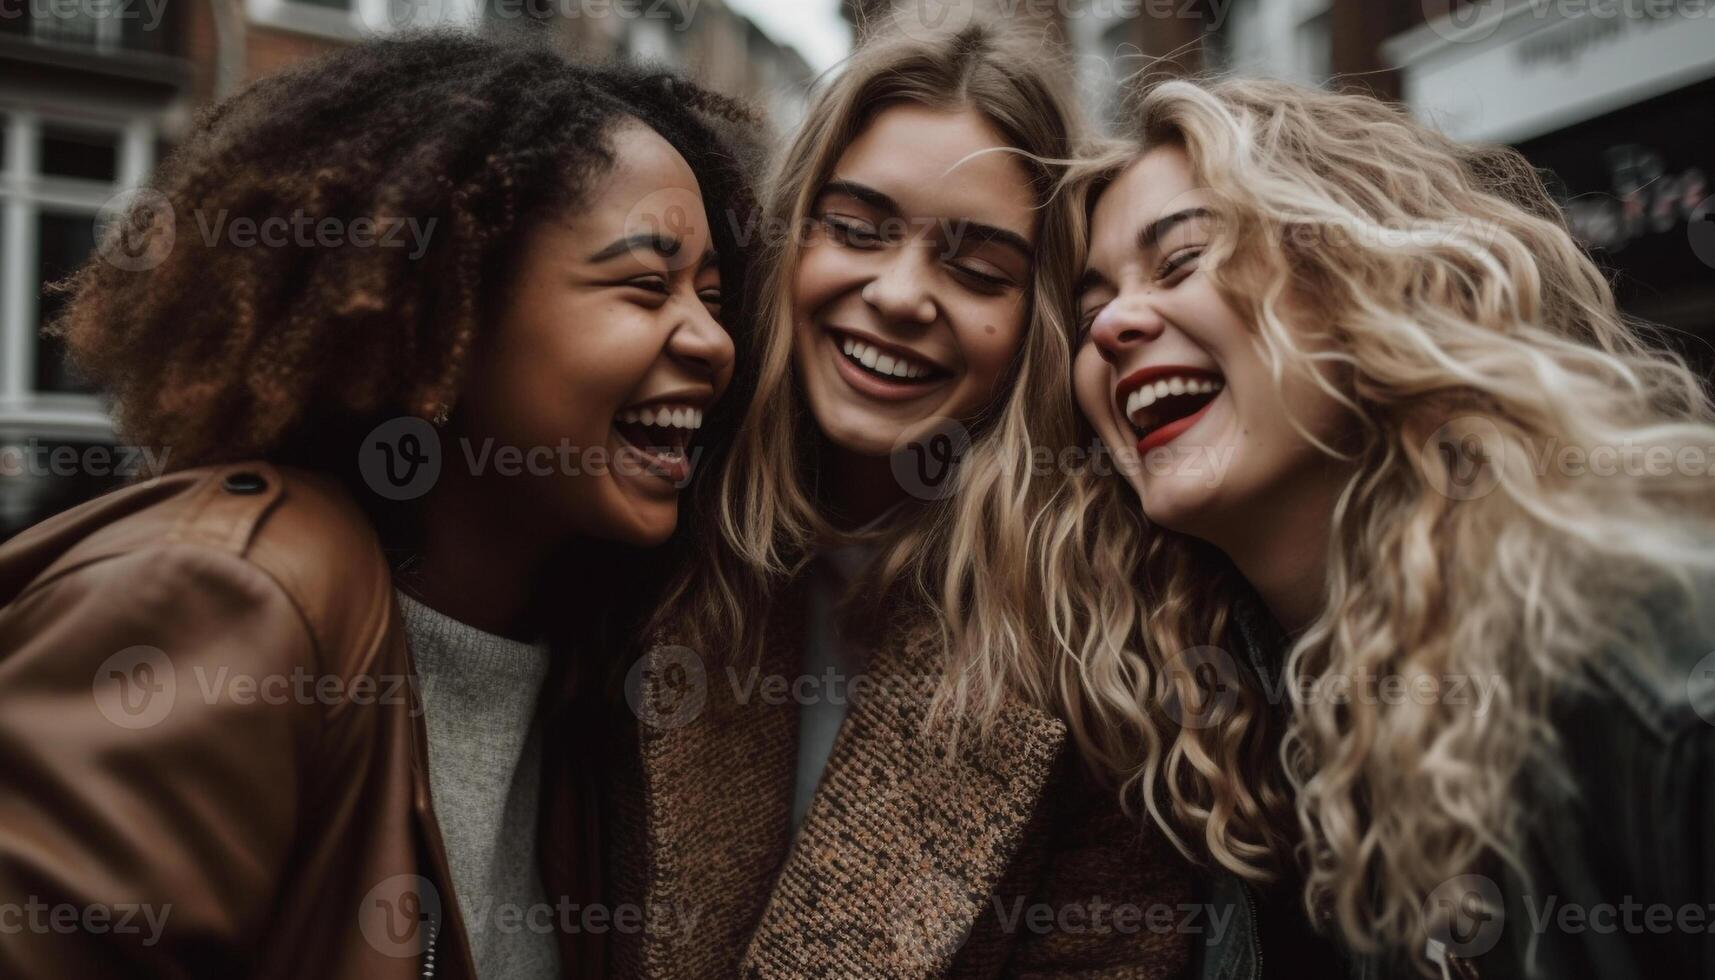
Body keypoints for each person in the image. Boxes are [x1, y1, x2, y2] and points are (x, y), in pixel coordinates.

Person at [0, 32, 758, 980]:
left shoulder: (595, 686)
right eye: (646, 286)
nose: (712, 343)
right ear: (446, 319)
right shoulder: (231, 597)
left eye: (715, 297)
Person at [1060, 76, 1715, 979]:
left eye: (1181, 261)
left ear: (1357, 273)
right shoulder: (1223, 752)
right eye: (1089, 310)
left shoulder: (1644, 652)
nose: (1112, 328)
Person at [613, 21, 1197, 977]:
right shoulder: (643, 532)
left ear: (1040, 323)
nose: (898, 295)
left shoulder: (1107, 643)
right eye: (855, 228)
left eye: (977, 268)